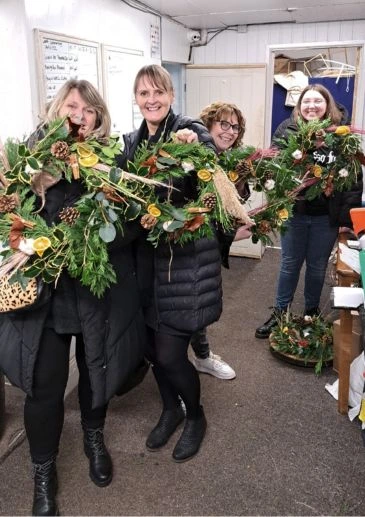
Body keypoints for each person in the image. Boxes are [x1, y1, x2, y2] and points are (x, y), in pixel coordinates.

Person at [0, 79, 146, 515]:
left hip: (96, 289)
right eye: (70, 106)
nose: (77, 115)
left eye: (86, 109)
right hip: (43, 296)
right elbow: (6, 215)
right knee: (43, 387)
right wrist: (22, 239)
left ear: (98, 118)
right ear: (54, 110)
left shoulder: (112, 162)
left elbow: (135, 222)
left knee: (95, 369)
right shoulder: (24, 160)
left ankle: (93, 437)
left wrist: (93, 239)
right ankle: (43, 472)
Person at [117, 64, 223, 462]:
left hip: (182, 262)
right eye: (143, 93)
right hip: (144, 263)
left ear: (172, 95)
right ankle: (169, 409)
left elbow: (209, 161)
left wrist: (192, 146)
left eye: (158, 91)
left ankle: (194, 415)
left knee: (169, 353)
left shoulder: (189, 128)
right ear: (136, 99)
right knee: (151, 345)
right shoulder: (130, 142)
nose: (151, 99)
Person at [255, 83, 363, 339]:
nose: (311, 106)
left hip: (326, 215)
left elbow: (354, 178)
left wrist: (347, 219)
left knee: (316, 267)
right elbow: (274, 166)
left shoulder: (341, 136)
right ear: (299, 106)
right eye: (306, 101)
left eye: (318, 101)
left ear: (328, 105)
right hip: (294, 212)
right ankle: (281, 312)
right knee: (289, 264)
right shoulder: (286, 130)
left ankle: (311, 314)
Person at [190, 101, 252, 380]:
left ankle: (202, 357)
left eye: (235, 127)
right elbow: (196, 215)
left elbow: (230, 210)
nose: (229, 132)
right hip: (186, 249)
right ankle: (184, 364)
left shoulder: (232, 163)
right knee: (188, 305)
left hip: (209, 251)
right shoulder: (195, 160)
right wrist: (231, 232)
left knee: (201, 303)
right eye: (223, 124)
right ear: (209, 125)